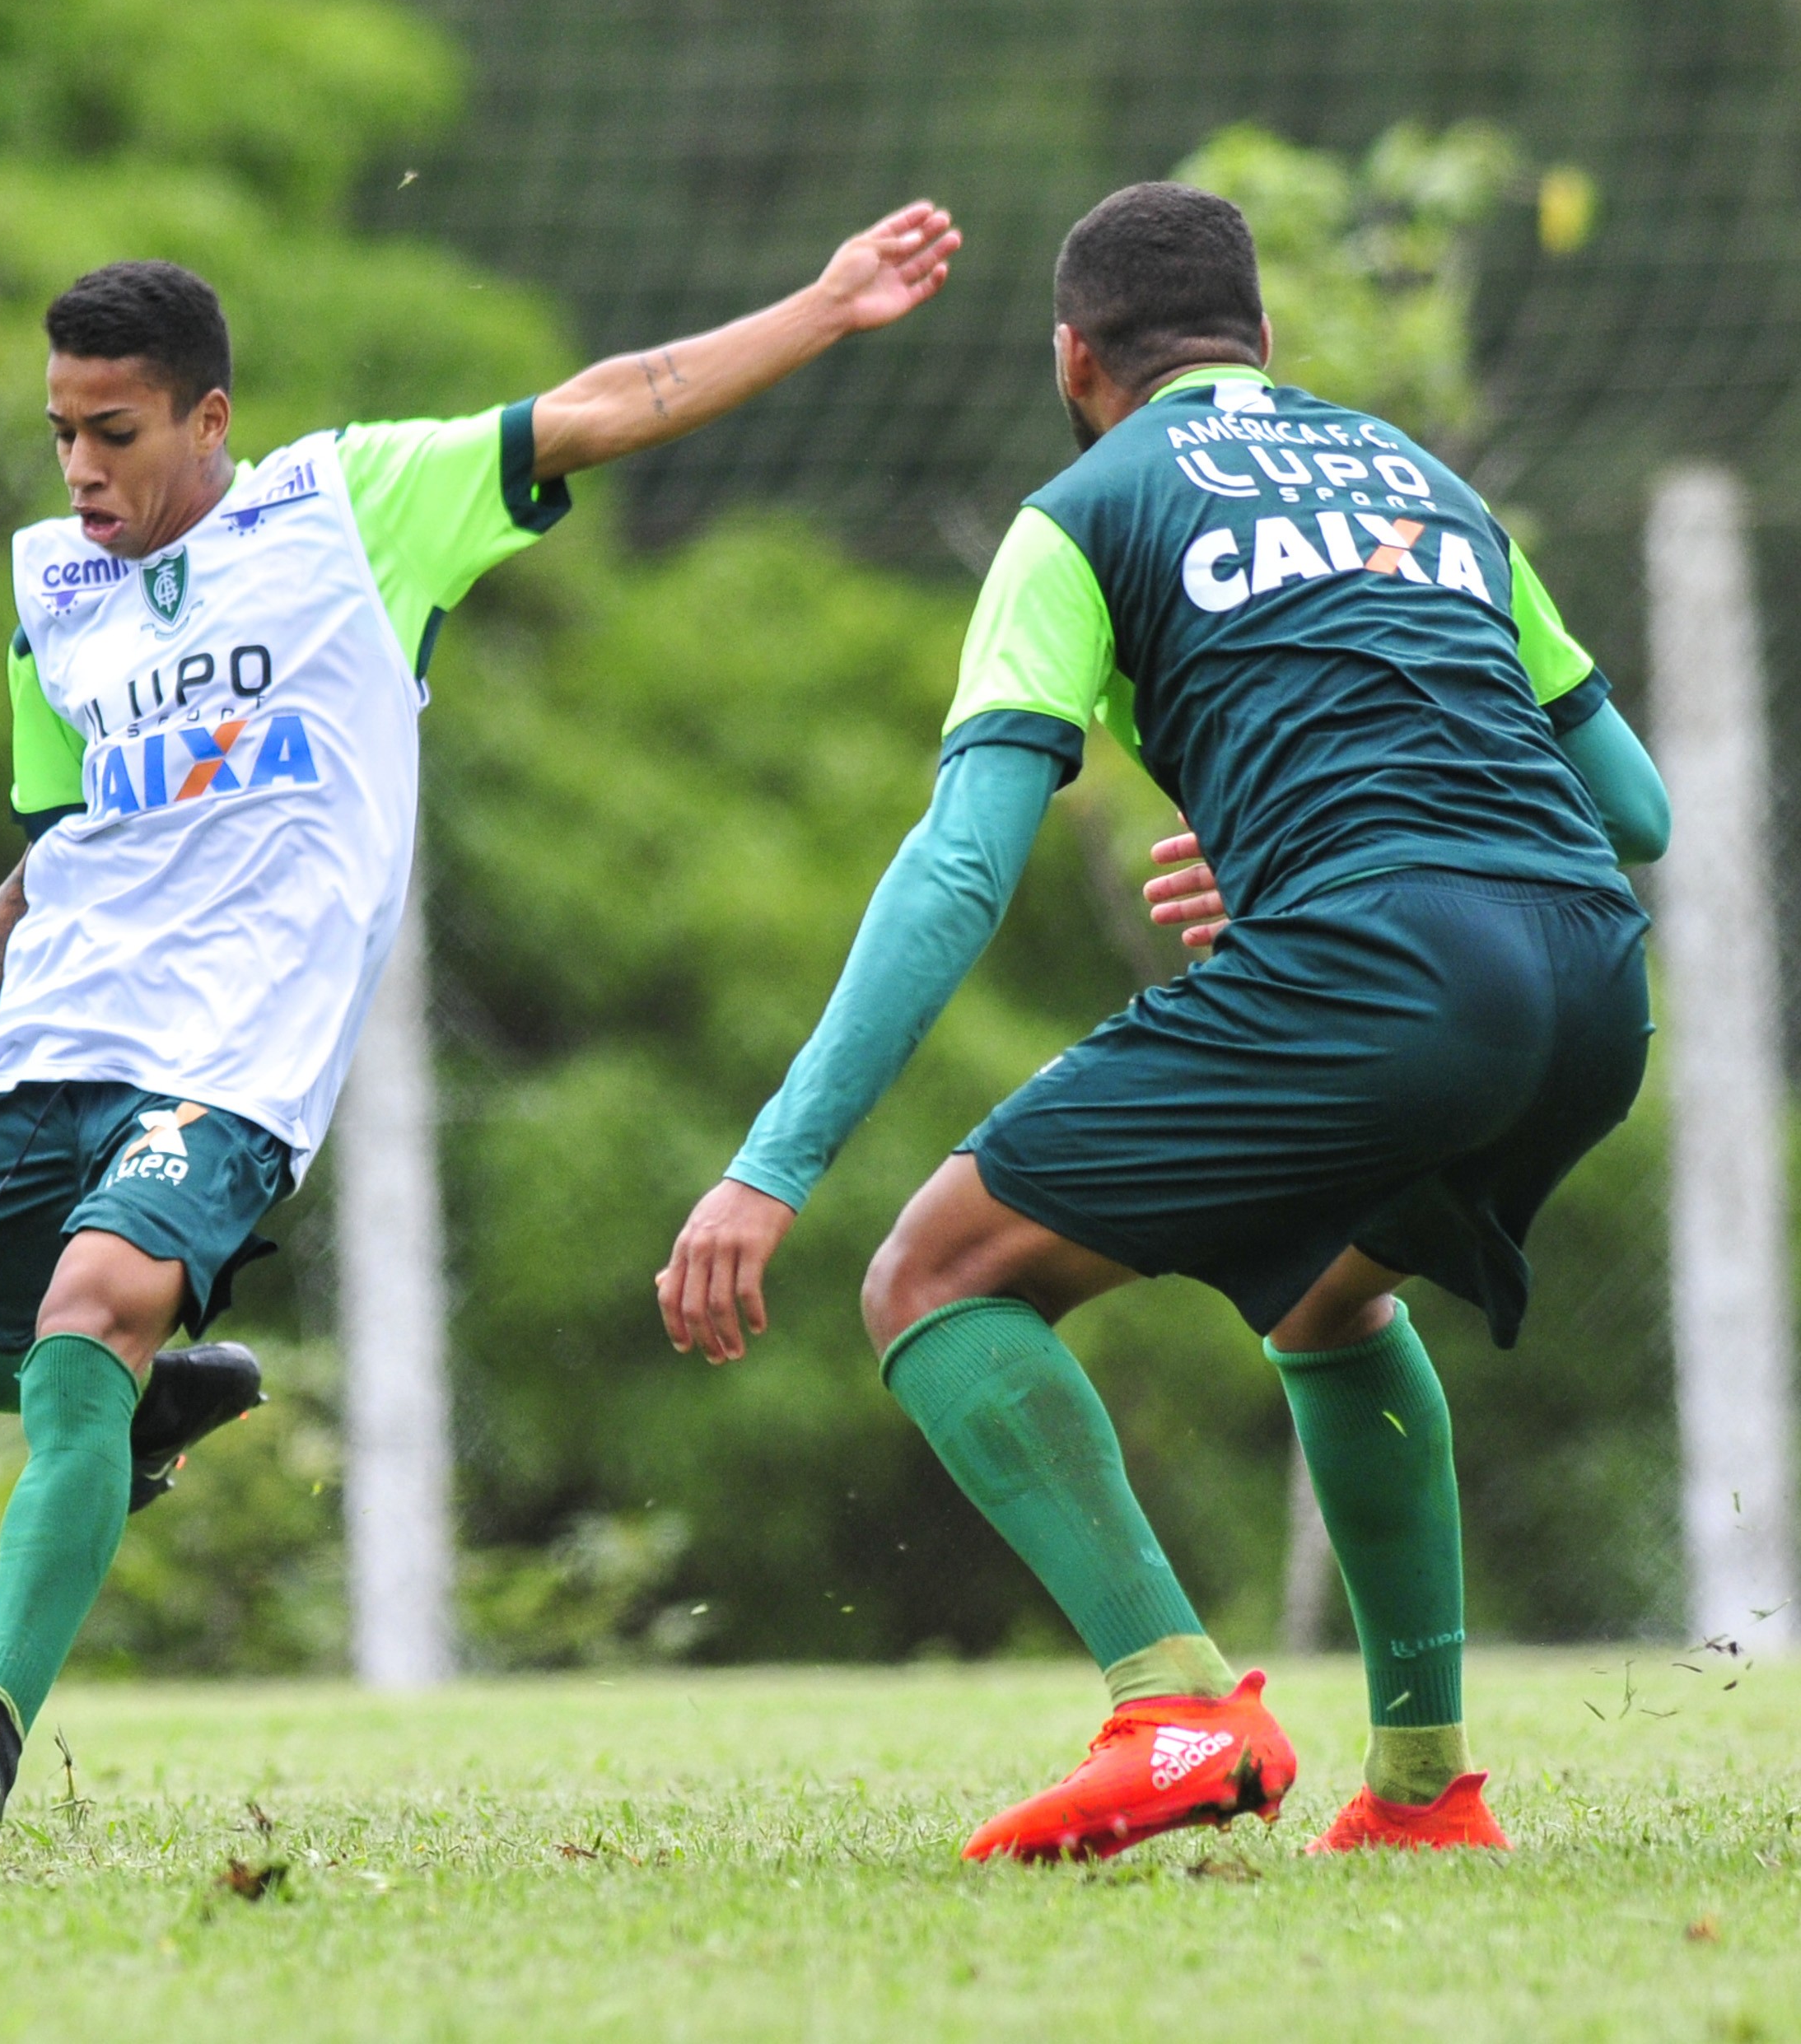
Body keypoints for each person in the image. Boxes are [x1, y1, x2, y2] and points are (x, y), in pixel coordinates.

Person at [0, 205, 963, 1832]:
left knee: (94, 1299)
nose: (81, 470)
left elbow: (613, 400)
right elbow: (60, 850)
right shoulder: (50, 592)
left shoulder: (351, 508)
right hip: (51, 1046)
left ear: (209, 419)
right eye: (59, 436)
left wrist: (816, 305)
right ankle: (136, 1413)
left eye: (114, 434)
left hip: (232, 1061)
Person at [657, 181, 1673, 1861]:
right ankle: (1424, 1794)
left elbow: (960, 865)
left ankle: (1175, 1705)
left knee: (933, 1278)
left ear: (1075, 362)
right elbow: (1628, 804)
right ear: (1264, 344)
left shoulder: (1086, 508)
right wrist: (1310, 831)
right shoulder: (1434, 486)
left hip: (1390, 971)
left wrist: (773, 1163)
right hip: (1588, 978)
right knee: (1331, 1303)